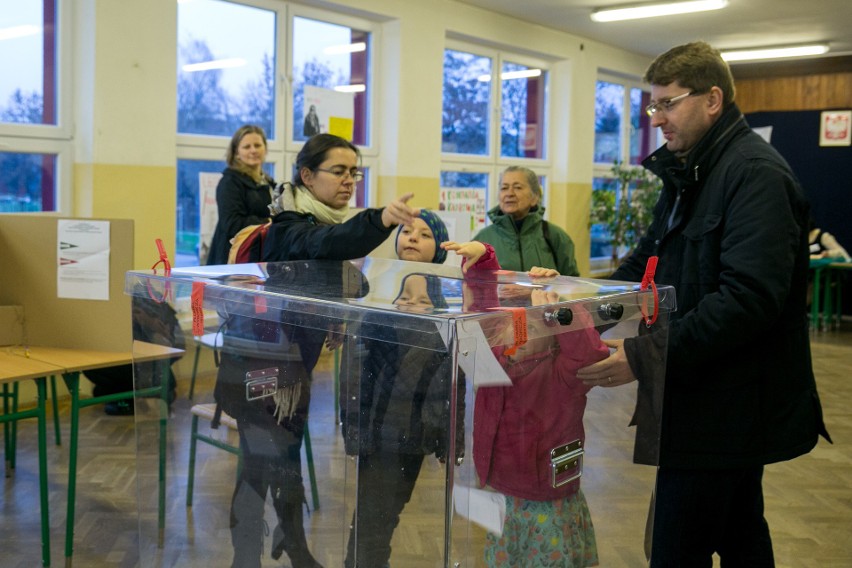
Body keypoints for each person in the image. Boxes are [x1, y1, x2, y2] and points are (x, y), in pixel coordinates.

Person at [575, 41, 831, 566]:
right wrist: (571, 303)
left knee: (677, 548)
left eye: (668, 104)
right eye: (653, 107)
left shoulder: (754, 174)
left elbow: (748, 300)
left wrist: (641, 358)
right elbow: (647, 263)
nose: (658, 120)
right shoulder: (689, 172)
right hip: (697, 396)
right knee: (740, 535)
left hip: (727, 407)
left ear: (713, 99)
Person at [214, 133, 418, 568]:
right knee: (257, 464)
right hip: (255, 365)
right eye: (339, 171)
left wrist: (339, 316)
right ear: (307, 176)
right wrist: (379, 219)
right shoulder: (290, 226)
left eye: (354, 173)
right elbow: (327, 246)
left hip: (292, 368)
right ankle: (245, 556)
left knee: (284, 455)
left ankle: (293, 544)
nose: (349, 181)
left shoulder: (318, 221)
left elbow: (335, 270)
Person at [451, 242, 606, 568]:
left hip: (548, 500)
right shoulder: (495, 363)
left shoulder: (563, 373)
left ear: (554, 339)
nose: (515, 334)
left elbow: (589, 353)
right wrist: (483, 260)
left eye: (532, 326)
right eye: (511, 324)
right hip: (503, 492)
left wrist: (560, 298)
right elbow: (481, 311)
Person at [338, 209, 456, 568]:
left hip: (417, 433)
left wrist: (449, 437)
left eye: (424, 233)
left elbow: (453, 380)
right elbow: (353, 372)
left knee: (391, 509)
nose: (412, 238)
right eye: (406, 231)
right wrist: (355, 429)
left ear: (440, 248)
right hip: (380, 429)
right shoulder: (380, 294)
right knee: (373, 516)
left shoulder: (448, 304)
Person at [474, 166, 579, 276]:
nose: (509, 193)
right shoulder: (482, 240)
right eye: (504, 188)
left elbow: (573, 285)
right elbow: (471, 284)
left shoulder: (555, 236)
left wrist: (557, 282)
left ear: (535, 197)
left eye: (518, 187)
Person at [206, 125, 275, 265]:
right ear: (236, 153)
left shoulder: (268, 182)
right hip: (232, 260)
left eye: (257, 145)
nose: (253, 150)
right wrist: (269, 222)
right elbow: (232, 224)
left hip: (257, 257)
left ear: (265, 149)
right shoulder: (229, 182)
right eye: (246, 147)